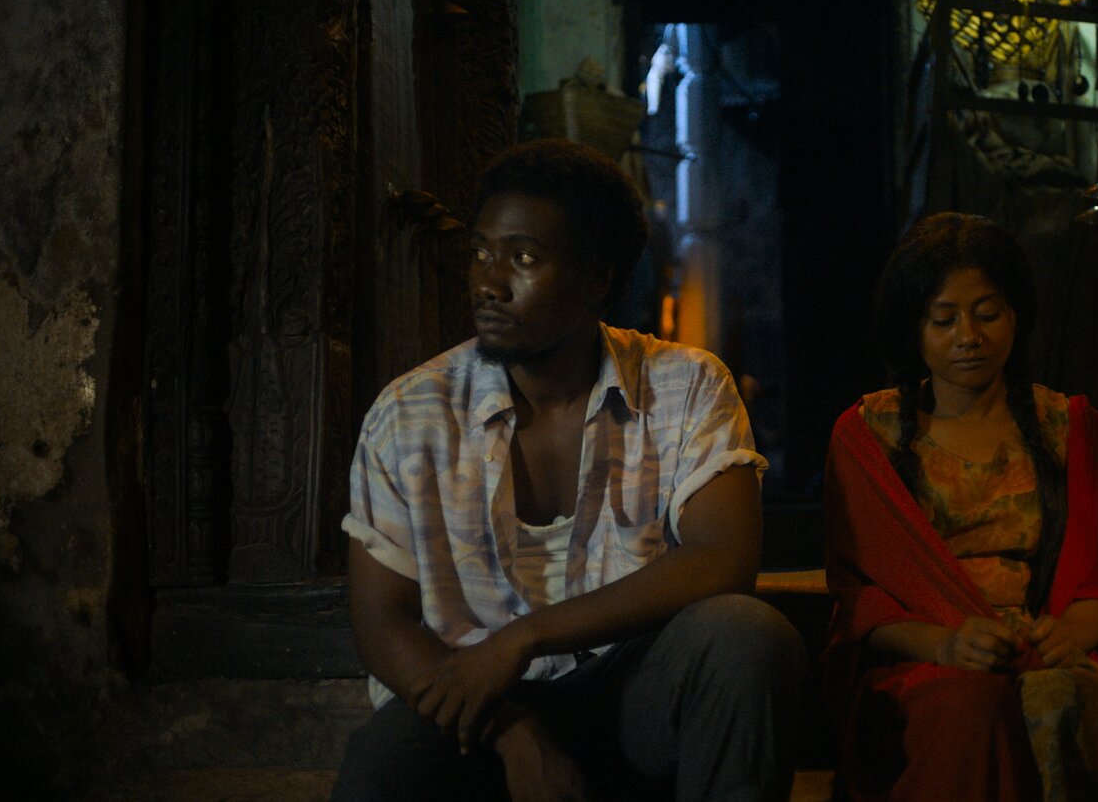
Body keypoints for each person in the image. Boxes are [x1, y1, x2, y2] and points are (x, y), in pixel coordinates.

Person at [332, 139, 804, 801]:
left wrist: (524, 638)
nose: (489, 282)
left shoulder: (686, 384)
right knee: (385, 759)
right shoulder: (410, 413)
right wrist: (511, 732)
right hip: (482, 703)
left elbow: (721, 558)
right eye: (480, 252)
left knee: (746, 637)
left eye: (523, 258)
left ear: (596, 277)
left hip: (634, 693)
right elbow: (382, 621)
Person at [822, 213, 1098, 801]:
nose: (968, 336)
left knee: (1064, 699)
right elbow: (862, 603)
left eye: (987, 313)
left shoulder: (1072, 429)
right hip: (923, 662)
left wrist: (1069, 635)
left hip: (1041, 653)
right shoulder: (868, 436)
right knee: (969, 706)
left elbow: (1097, 587)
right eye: (944, 319)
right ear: (914, 328)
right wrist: (947, 645)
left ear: (1016, 316)